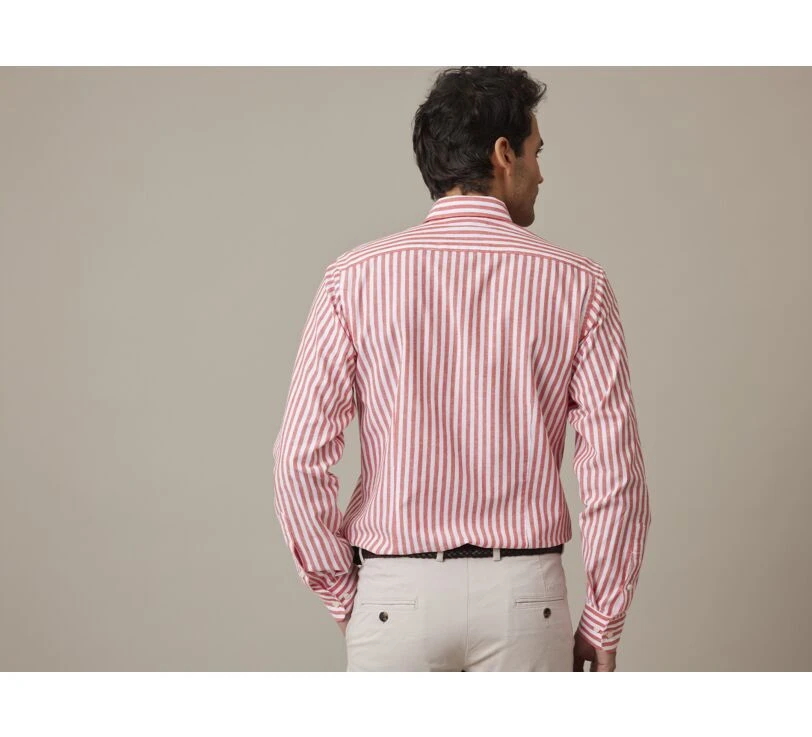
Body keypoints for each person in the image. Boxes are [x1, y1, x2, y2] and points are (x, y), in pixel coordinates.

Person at [272, 66, 651, 672]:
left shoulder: (354, 278)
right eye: (537, 152)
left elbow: (298, 460)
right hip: (526, 601)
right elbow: (615, 474)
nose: (541, 172)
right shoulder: (579, 283)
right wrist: (604, 619)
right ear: (504, 154)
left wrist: (346, 594)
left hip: (395, 596)